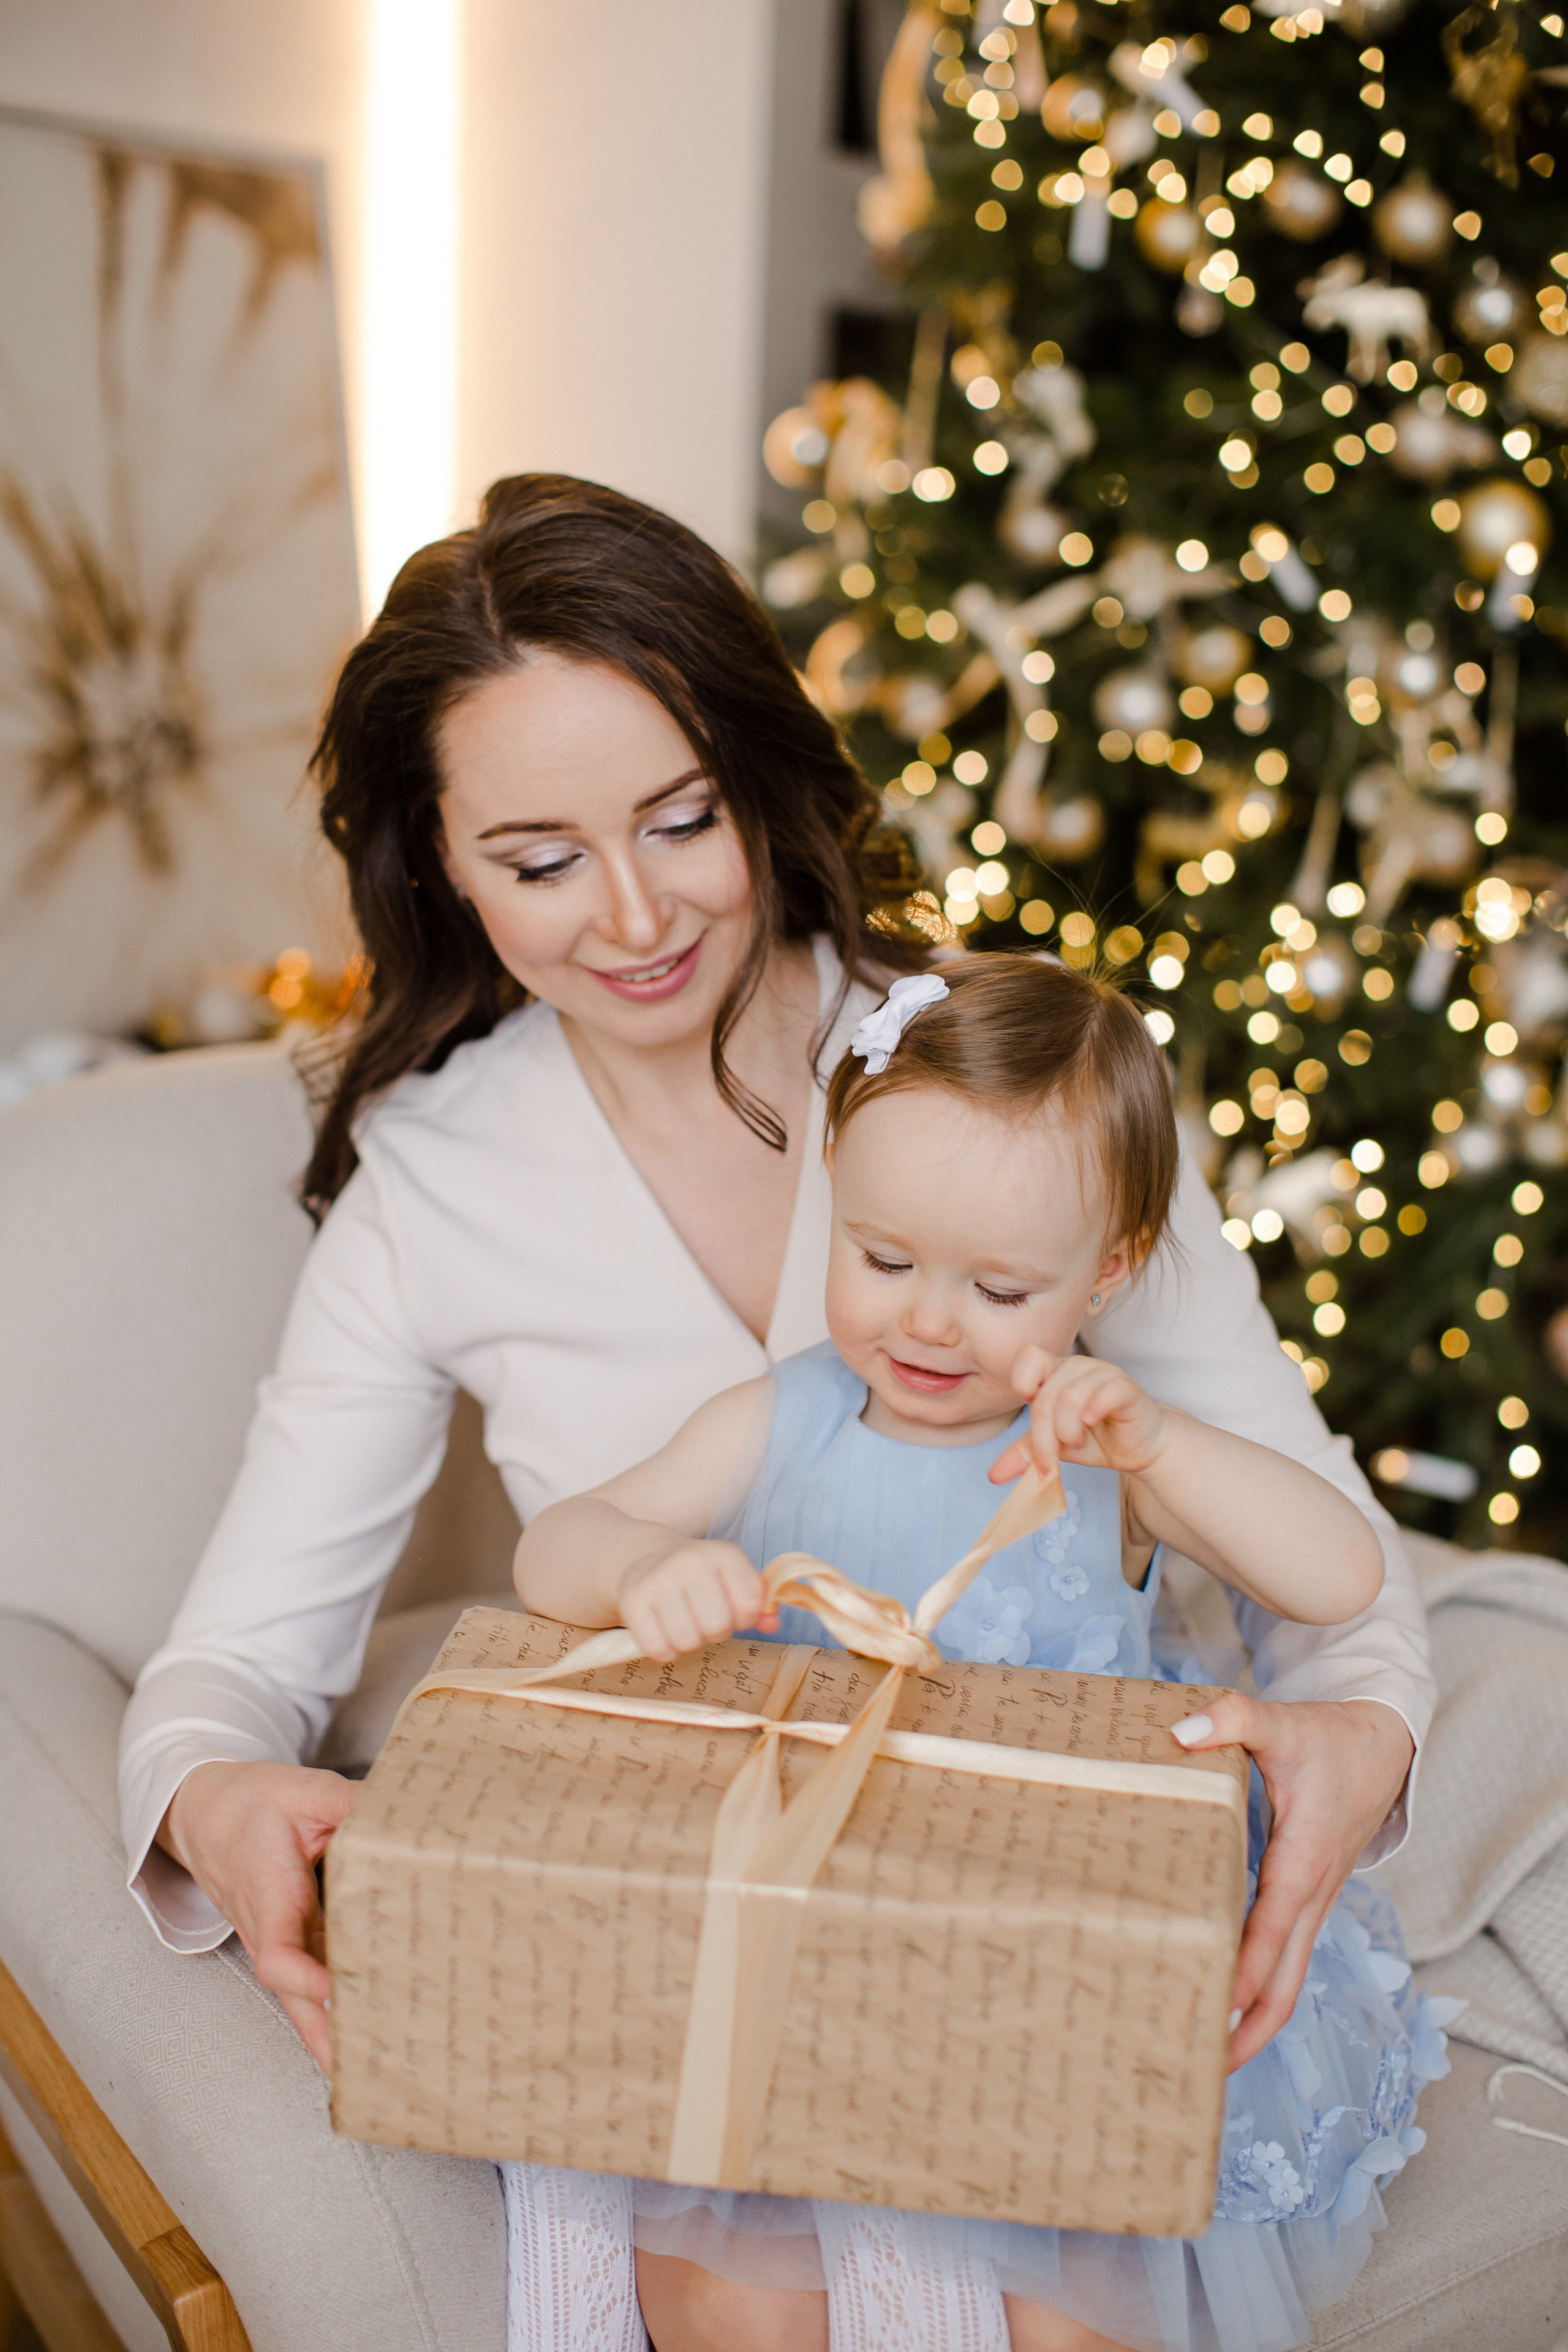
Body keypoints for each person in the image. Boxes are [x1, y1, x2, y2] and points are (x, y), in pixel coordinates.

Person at [117, 473, 1431, 2325]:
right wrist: (216, 1800)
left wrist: (1365, 1739)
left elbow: (1328, 1559)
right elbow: (235, 1665)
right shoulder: (434, 1180)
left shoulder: (1013, 1080)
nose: (636, 916)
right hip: (706, 1922)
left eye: (681, 820)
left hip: (1045, 1897)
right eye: (540, 860)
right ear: (440, 863)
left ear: (754, 776)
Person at [507, 954, 1446, 2352]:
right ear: (836, 1198)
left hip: (1054, 1941)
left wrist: (1161, 1446)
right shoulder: (776, 1420)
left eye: (1000, 1288)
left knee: (1068, 2317)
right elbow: (553, 1550)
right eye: (883, 1261)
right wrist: (641, 1566)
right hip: (814, 1924)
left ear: (1108, 1269)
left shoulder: (1102, 1450)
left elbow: (1339, 1573)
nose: (929, 1322)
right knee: (731, 2305)